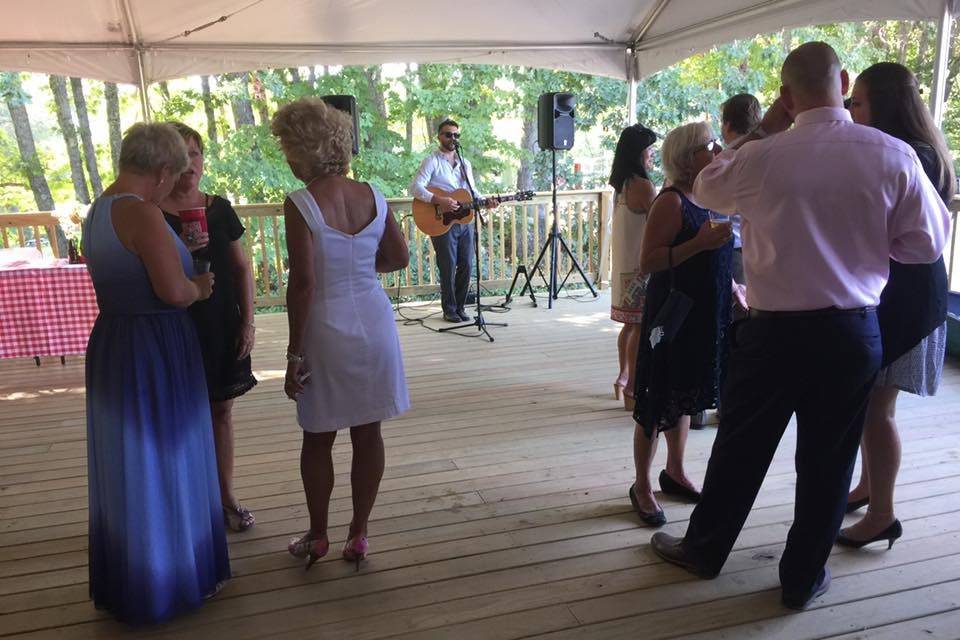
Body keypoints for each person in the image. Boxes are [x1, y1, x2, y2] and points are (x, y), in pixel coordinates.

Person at [649, 42, 951, 610]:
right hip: (853, 331)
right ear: (842, 84)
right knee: (829, 458)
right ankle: (801, 578)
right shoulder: (892, 154)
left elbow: (705, 186)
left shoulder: (763, 157)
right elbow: (927, 245)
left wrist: (758, 131)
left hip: (773, 331)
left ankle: (704, 550)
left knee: (740, 446)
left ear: (786, 98)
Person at [83, 123, 230, 623]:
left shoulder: (99, 209)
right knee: (168, 455)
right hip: (155, 345)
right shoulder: (143, 214)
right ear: (162, 171)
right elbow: (173, 291)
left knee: (129, 459)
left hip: (113, 342)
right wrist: (202, 288)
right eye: (175, 172)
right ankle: (170, 579)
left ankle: (131, 576)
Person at [273, 98, 411, 570]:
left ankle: (317, 535)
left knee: (318, 434)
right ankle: (359, 534)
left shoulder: (301, 204)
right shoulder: (373, 193)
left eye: (287, 148)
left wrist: (293, 355)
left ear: (301, 151)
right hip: (373, 319)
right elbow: (399, 257)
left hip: (326, 328)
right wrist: (358, 275)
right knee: (368, 430)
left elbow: (304, 284)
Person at [841, 62, 954, 548]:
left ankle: (883, 513)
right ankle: (870, 489)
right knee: (872, 405)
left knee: (876, 410)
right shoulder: (919, 152)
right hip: (905, 294)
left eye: (857, 102)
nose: (850, 111)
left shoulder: (910, 157)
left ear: (882, 106)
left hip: (908, 301)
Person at [628, 121, 733, 527]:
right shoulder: (670, 202)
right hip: (672, 315)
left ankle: (675, 471)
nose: (717, 150)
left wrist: (736, 286)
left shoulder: (710, 197)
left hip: (706, 312)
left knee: (685, 393)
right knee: (656, 398)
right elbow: (649, 261)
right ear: (688, 158)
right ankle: (641, 484)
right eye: (710, 146)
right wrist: (698, 244)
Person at [159, 122, 258, 533]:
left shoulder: (220, 207)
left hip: (220, 320)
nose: (190, 164)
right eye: (182, 155)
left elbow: (241, 266)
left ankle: (225, 496)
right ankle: (186, 502)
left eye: (196, 153)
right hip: (173, 323)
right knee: (179, 415)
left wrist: (248, 321)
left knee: (221, 411)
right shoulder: (151, 213)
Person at [410, 119, 495, 323]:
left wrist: (485, 202)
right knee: (447, 266)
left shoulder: (465, 163)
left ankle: (460, 306)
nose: (453, 138)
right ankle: (449, 309)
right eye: (448, 134)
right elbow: (415, 187)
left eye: (456, 135)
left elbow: (472, 192)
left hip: (464, 221)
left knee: (466, 263)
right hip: (441, 221)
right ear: (439, 137)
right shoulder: (432, 161)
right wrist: (439, 200)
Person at [609, 124, 658, 411]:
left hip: (624, 264)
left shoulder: (622, 184)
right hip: (640, 266)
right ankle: (632, 388)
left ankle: (622, 377)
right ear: (639, 153)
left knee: (630, 325)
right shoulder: (643, 186)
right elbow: (658, 217)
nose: (652, 155)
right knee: (639, 326)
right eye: (649, 150)